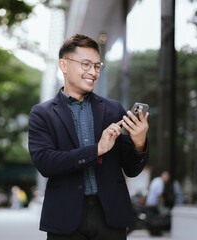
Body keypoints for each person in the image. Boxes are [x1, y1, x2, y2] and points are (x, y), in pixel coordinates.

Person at [28, 34, 149, 240]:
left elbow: (132, 169)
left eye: (97, 66)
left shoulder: (113, 109)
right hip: (64, 217)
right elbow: (46, 164)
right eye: (86, 65)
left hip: (110, 215)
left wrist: (139, 143)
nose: (93, 72)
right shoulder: (42, 113)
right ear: (64, 65)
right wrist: (97, 150)